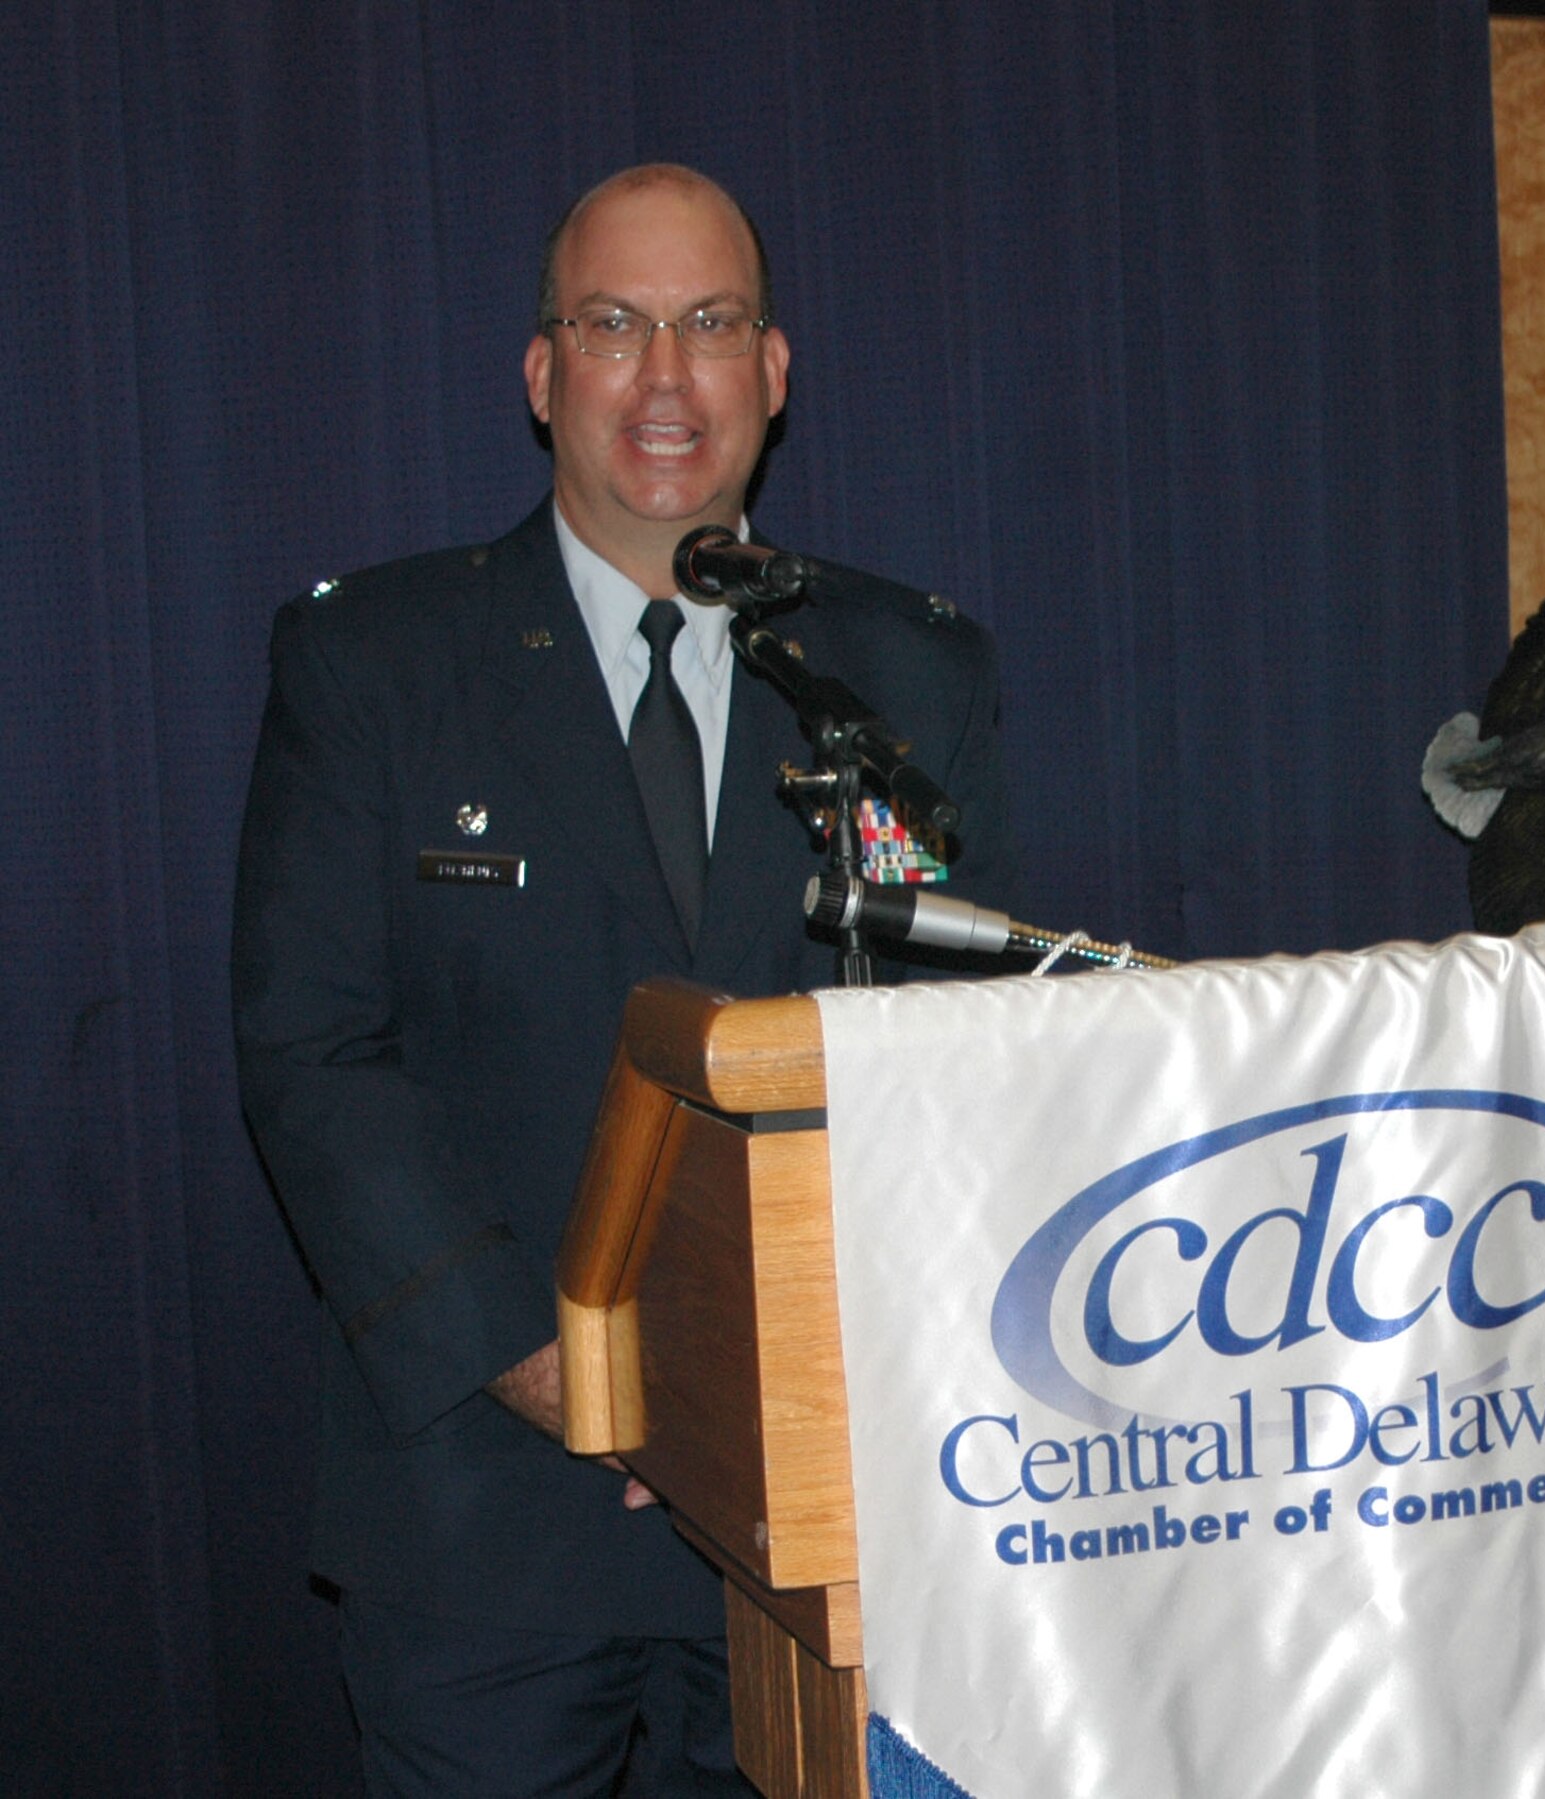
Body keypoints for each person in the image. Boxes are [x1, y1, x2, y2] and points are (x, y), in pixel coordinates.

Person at [233, 164, 1015, 1794]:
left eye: (711, 324)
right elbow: (316, 1055)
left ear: (774, 374)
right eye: (614, 325)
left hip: (814, 1523)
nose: (667, 377)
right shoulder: (375, 663)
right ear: (543, 376)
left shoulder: (901, 672)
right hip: (482, 1522)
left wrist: (769, 1396)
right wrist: (573, 1371)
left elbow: (971, 1067)